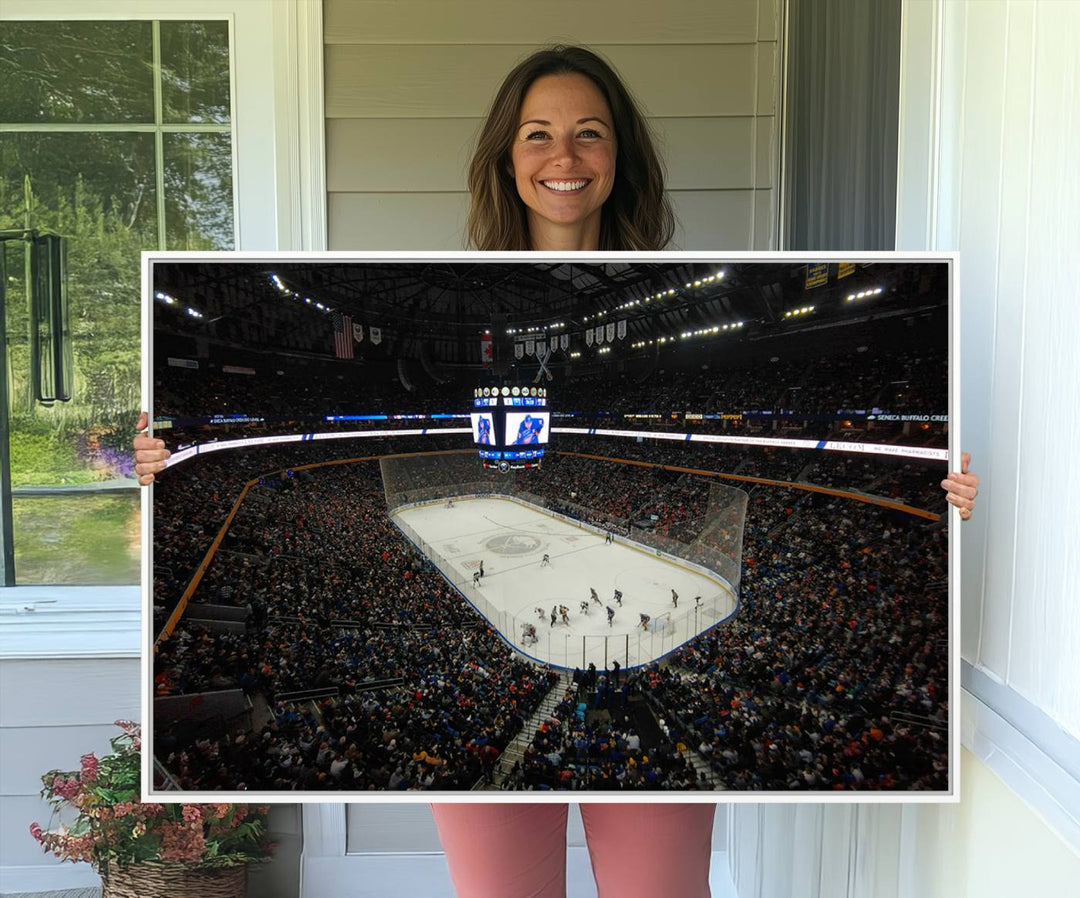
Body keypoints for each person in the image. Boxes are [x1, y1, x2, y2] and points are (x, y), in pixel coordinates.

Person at [132, 43, 981, 898]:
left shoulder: (704, 274)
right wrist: (157, 458)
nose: (563, 157)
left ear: (621, 157)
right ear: (507, 157)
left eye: (589, 134)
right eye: (537, 134)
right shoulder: (443, 279)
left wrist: (946, 491)